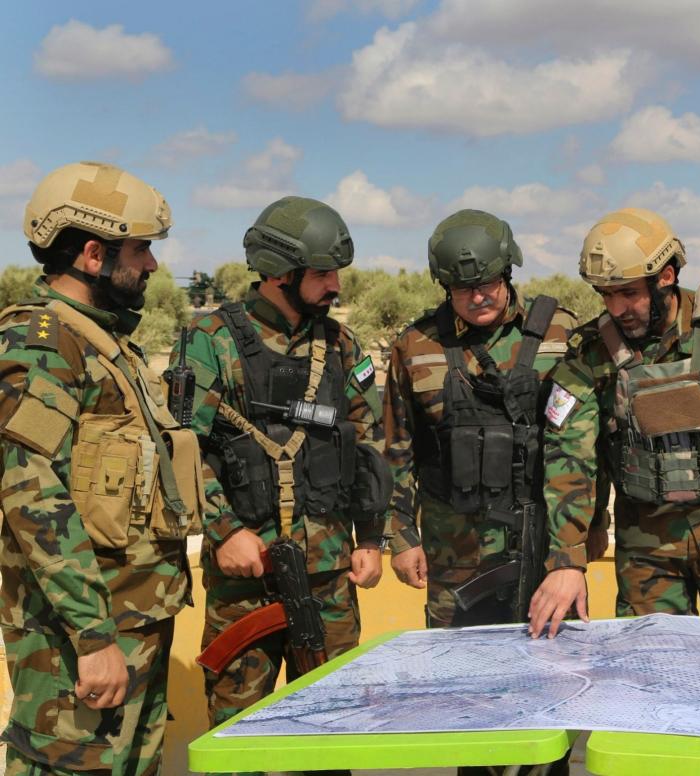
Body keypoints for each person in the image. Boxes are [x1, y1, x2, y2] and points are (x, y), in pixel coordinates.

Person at [0, 161, 203, 774]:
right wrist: (93, 638)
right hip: (79, 643)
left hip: (133, 626)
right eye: (140, 250)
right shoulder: (43, 346)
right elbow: (30, 494)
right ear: (94, 254)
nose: (150, 265)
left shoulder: (105, 346)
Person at [527, 207, 700, 638]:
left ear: (665, 276)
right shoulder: (591, 356)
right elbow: (570, 458)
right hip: (647, 556)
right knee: (646, 676)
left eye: (627, 293)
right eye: (605, 295)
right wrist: (567, 561)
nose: (616, 308)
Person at [176, 196, 391, 736]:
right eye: (322, 274)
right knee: (235, 732)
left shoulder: (342, 346)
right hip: (245, 576)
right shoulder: (210, 342)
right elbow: (180, 450)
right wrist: (224, 533)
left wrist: (370, 537)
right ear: (278, 272)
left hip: (328, 574)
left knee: (331, 730)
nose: (335, 286)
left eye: (337, 272)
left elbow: (368, 441)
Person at [383, 209, 596, 629]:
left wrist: (574, 552)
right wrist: (402, 537)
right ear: (445, 287)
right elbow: (395, 447)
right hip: (453, 554)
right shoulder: (415, 345)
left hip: (544, 547)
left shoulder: (559, 333)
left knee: (556, 674)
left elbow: (580, 448)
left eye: (487, 284)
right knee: (460, 683)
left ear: (507, 272)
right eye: (463, 289)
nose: (478, 297)